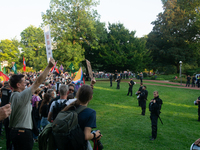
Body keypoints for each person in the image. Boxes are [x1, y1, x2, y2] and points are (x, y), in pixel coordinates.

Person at [9, 57, 55, 150]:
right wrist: (49, 67)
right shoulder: (21, 96)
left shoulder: (13, 96)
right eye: (23, 82)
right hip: (23, 134)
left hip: (15, 132)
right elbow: (38, 82)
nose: (26, 83)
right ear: (18, 85)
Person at [62, 85, 102, 149]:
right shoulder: (90, 113)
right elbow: (86, 136)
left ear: (77, 95)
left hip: (65, 143)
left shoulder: (69, 107)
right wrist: (95, 135)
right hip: (78, 145)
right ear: (91, 97)